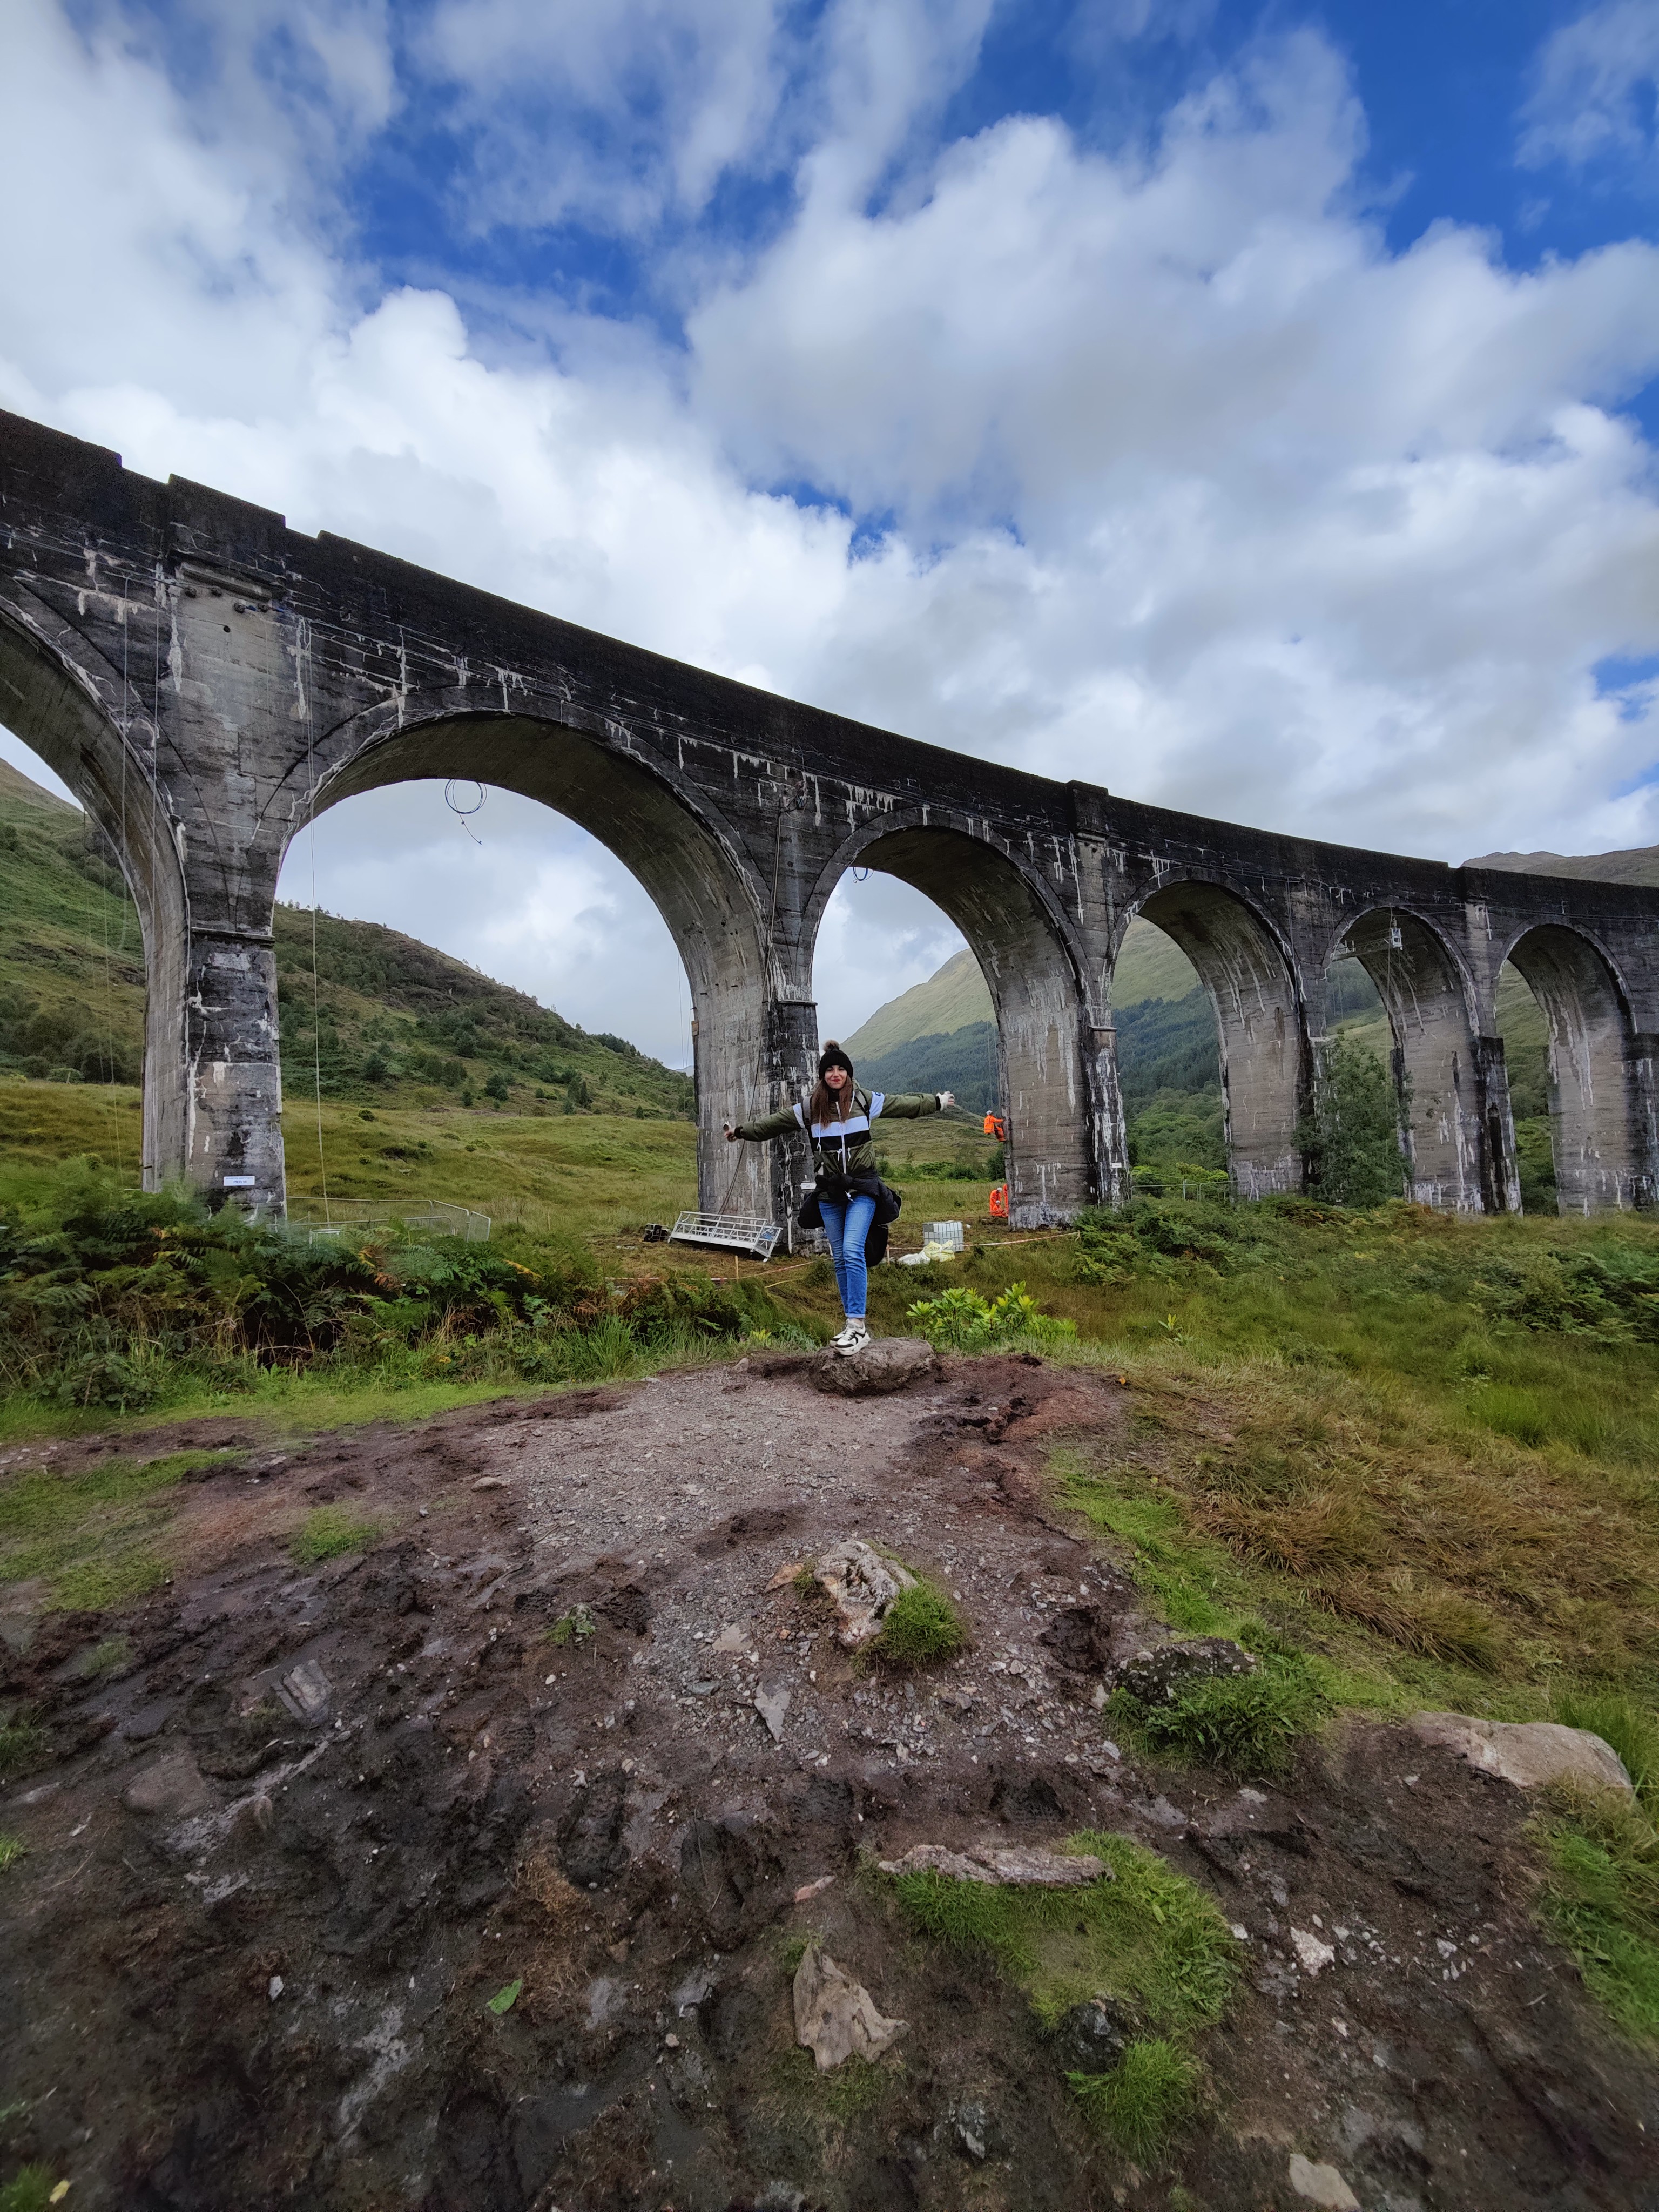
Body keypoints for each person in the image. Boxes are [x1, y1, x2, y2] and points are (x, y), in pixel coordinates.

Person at [725, 1044, 954, 1353]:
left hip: (862, 1188)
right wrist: (741, 1132)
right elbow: (773, 1124)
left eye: (841, 1069)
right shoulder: (809, 1109)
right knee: (840, 1258)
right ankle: (851, 1324)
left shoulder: (864, 1100)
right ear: (823, 1076)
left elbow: (904, 1105)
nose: (836, 1074)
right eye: (830, 1070)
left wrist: (936, 1102)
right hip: (830, 1192)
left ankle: (858, 1327)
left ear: (849, 1074)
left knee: (850, 1249)